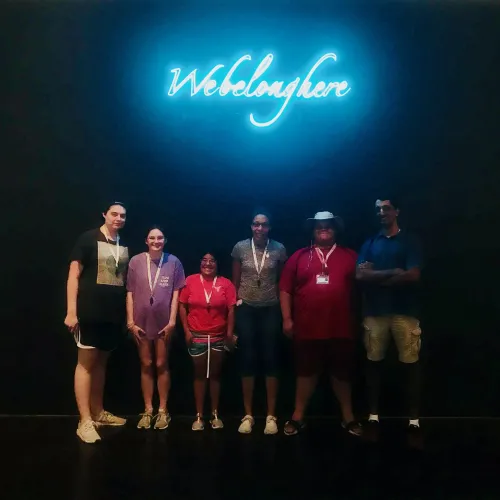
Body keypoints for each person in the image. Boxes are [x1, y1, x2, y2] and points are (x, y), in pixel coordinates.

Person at [280, 211, 362, 437]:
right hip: (307, 328)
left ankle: (348, 417)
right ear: (313, 231)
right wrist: (287, 319)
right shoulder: (298, 256)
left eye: (328, 226)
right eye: (319, 226)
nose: (323, 229)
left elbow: (364, 289)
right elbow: (285, 289)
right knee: (305, 373)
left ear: (335, 230)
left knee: (342, 375)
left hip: (342, 326)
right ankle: (298, 417)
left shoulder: (351, 256)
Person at [356, 198, 423, 434]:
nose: (381, 213)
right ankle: (373, 416)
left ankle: (413, 419)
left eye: (386, 208)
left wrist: (379, 278)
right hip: (375, 312)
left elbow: (414, 275)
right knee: (373, 364)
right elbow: (361, 275)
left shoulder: (409, 240)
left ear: (397, 211)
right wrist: (394, 272)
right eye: (378, 209)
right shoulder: (370, 243)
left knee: (410, 365)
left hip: (405, 312)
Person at [64, 202, 129, 443]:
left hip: (112, 317)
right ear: (104, 214)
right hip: (89, 313)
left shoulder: (123, 245)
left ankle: (98, 413)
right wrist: (72, 311)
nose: (118, 218)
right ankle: (84, 420)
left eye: (123, 215)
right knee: (86, 364)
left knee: (101, 364)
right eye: (114, 214)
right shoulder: (88, 238)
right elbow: (73, 275)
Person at [231, 213, 287, 435]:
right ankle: (248, 415)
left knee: (271, 357)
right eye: (256, 224)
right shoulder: (240, 247)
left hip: (271, 308)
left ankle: (271, 416)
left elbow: (281, 282)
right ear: (251, 226)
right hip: (245, 307)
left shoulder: (279, 248)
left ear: (269, 227)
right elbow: (235, 282)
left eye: (264, 224)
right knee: (248, 358)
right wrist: (234, 313)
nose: (260, 228)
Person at [126, 226, 185, 430]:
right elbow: (130, 292)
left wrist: (172, 321)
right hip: (140, 322)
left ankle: (162, 410)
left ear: (165, 240)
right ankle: (148, 409)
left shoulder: (174, 262)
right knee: (145, 363)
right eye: (152, 238)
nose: (156, 241)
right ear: (146, 240)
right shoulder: (135, 261)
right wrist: (130, 322)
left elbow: (177, 293)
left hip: (163, 324)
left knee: (161, 363)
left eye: (160, 238)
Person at [179, 252, 237, 431]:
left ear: (217, 264)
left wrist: (229, 334)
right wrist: (187, 331)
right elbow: (182, 305)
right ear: (199, 263)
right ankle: (198, 415)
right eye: (204, 260)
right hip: (197, 335)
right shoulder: (190, 281)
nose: (208, 264)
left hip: (219, 336)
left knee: (215, 376)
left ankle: (215, 414)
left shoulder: (226, 283)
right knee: (199, 376)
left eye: (212, 261)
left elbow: (231, 310)